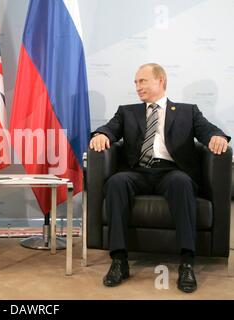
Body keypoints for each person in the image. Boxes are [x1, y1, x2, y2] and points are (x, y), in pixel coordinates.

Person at [89, 63, 230, 293]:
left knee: (181, 182)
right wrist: (101, 134)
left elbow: (207, 130)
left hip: (171, 171)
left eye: (142, 81)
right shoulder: (127, 111)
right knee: (116, 181)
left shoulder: (188, 111)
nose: (137, 87)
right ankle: (119, 260)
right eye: (135, 82)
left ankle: (186, 262)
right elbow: (110, 128)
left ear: (160, 80)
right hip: (138, 172)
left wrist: (217, 137)